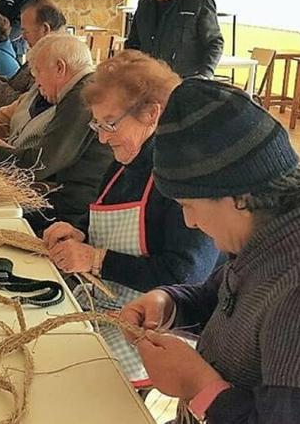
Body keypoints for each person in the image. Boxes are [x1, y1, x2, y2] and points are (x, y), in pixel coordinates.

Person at [120, 78, 300, 422]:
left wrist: (198, 387)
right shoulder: (280, 232)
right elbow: (233, 302)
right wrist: (172, 304)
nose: (189, 222)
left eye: (189, 205)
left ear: (239, 197)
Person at [37, 50, 220, 382]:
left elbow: (186, 274)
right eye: (97, 124)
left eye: (109, 124)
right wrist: (79, 232)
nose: (102, 137)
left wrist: (96, 260)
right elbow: (107, 215)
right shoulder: (128, 159)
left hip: (148, 336)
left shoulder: (180, 175)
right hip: (108, 309)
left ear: (152, 113)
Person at [0, 34, 112, 233]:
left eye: (39, 71)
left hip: (69, 211)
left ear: (60, 68)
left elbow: (41, 164)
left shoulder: (81, 96)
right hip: (62, 199)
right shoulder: (79, 89)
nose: (36, 80)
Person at [125, 0, 223, 79]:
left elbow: (214, 42)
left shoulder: (198, 0)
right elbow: (133, 42)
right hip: (149, 81)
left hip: (185, 82)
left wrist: (205, 75)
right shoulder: (145, 2)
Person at [0, 0, 66, 113]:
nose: (23, 36)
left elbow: (28, 105)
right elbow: (19, 86)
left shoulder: (54, 59)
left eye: (26, 31)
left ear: (45, 29)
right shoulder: (41, 51)